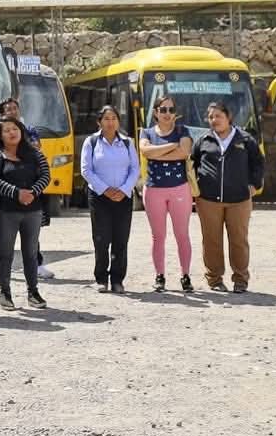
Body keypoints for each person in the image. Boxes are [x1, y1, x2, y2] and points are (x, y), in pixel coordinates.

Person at [191, 98, 264, 293]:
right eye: (211, 117)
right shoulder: (203, 140)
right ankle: (215, 280)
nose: (214, 120)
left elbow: (258, 164)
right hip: (208, 200)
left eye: (218, 116)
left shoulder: (246, 140)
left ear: (228, 117)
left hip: (239, 200)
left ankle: (240, 280)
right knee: (211, 241)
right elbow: (192, 164)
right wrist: (195, 189)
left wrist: (254, 185)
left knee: (239, 240)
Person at [0, 117, 49, 310]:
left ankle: (33, 292)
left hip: (33, 211)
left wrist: (32, 193)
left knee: (30, 254)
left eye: (15, 128)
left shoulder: (34, 153)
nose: (12, 133)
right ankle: (5, 292)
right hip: (7, 212)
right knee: (5, 254)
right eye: (6, 130)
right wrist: (17, 193)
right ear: (0, 135)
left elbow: (46, 175)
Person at [139, 94, 195, 294]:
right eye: (163, 110)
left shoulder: (183, 130)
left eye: (171, 110)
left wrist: (159, 151)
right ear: (155, 112)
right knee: (158, 236)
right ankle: (160, 275)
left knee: (182, 235)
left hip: (179, 188)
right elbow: (146, 152)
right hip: (154, 189)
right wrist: (172, 146)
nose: (167, 114)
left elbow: (184, 152)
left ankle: (185, 275)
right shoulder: (145, 132)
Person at [81, 106, 138, 294]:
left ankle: (118, 280)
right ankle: (101, 278)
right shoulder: (92, 142)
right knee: (101, 239)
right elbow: (86, 170)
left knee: (121, 239)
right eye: (106, 118)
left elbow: (135, 169)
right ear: (99, 122)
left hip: (123, 197)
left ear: (118, 121)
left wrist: (123, 190)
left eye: (113, 118)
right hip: (99, 197)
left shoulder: (128, 143)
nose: (110, 122)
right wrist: (104, 189)